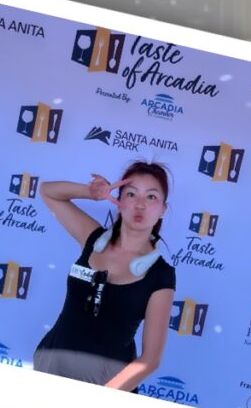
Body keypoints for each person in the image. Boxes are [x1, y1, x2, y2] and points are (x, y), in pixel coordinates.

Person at [33, 161, 176, 391]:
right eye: (131, 194)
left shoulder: (161, 275)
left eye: (151, 197)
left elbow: (150, 360)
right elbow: (48, 192)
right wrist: (90, 193)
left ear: (162, 210)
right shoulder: (92, 237)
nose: (140, 204)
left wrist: (103, 398)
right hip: (52, 367)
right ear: (119, 203)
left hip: (106, 384)